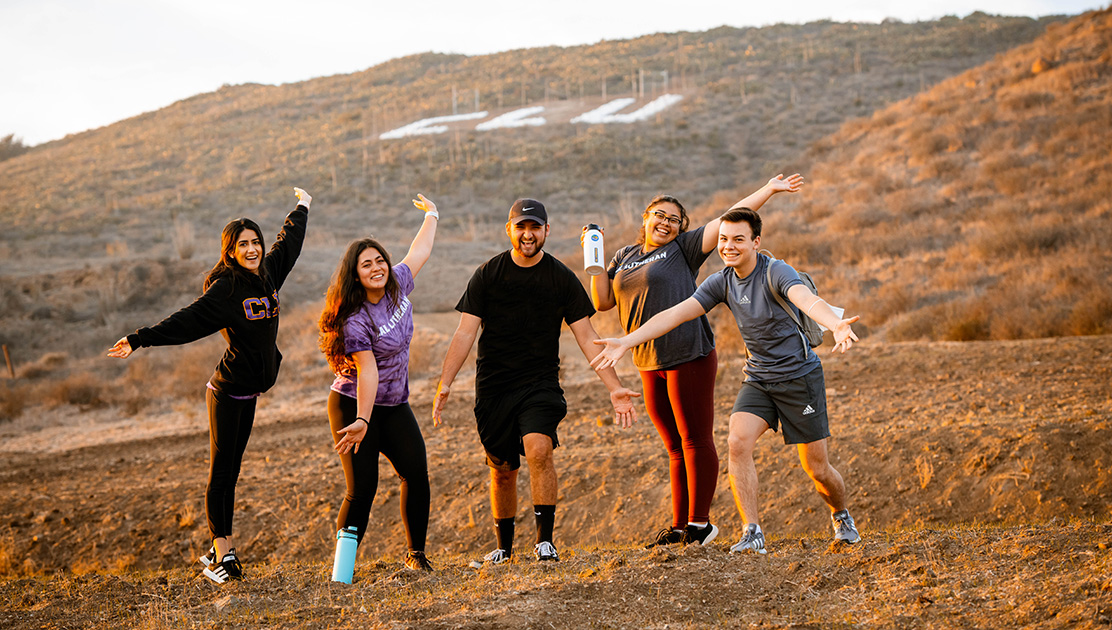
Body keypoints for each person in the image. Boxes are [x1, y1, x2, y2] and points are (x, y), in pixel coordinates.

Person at [592, 207, 862, 554]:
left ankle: (841, 516)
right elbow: (676, 314)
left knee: (817, 469)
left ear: (755, 242)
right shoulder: (721, 281)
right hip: (759, 378)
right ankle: (752, 532)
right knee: (737, 442)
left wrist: (835, 323)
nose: (728, 246)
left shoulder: (775, 271)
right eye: (723, 239)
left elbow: (805, 299)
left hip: (799, 377)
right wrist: (627, 341)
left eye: (738, 240)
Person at [107, 187, 312, 583]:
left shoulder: (268, 273)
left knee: (232, 471)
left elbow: (290, 244)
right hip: (226, 394)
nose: (252, 249)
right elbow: (188, 320)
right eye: (242, 245)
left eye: (255, 242)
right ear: (230, 251)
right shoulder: (227, 289)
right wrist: (138, 338)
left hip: (250, 393)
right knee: (222, 472)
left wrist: (302, 206)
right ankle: (223, 553)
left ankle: (220, 549)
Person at [432, 198, 640, 565]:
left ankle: (545, 542)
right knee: (503, 470)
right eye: (521, 227)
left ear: (546, 231)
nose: (528, 234)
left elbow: (586, 336)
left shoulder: (560, 278)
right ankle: (504, 548)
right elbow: (464, 333)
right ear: (509, 230)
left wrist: (615, 387)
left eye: (535, 227)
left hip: (540, 382)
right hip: (494, 386)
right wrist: (445, 382)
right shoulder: (487, 274)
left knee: (539, 449)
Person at [317, 194, 440, 575]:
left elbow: (419, 252)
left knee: (416, 475)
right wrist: (363, 420)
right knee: (362, 489)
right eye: (366, 264)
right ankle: (342, 574)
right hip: (354, 406)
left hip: (394, 405)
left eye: (380, 260)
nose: (377, 268)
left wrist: (433, 215)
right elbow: (367, 372)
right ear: (355, 275)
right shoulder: (355, 320)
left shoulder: (398, 283)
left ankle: (416, 556)